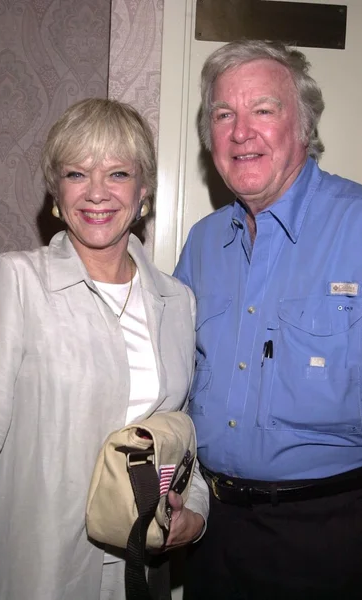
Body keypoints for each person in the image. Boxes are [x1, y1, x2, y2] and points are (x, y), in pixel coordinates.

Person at [0, 98, 208, 600]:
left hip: (143, 571)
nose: (96, 192)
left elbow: (182, 436)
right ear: (56, 192)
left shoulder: (177, 301)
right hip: (38, 570)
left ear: (144, 191)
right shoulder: (15, 283)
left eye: (118, 172)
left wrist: (196, 513)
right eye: (77, 173)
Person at [174, 39, 362, 600]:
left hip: (333, 538)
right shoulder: (203, 244)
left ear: (302, 125)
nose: (240, 131)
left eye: (263, 110)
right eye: (224, 114)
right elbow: (174, 381)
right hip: (214, 533)